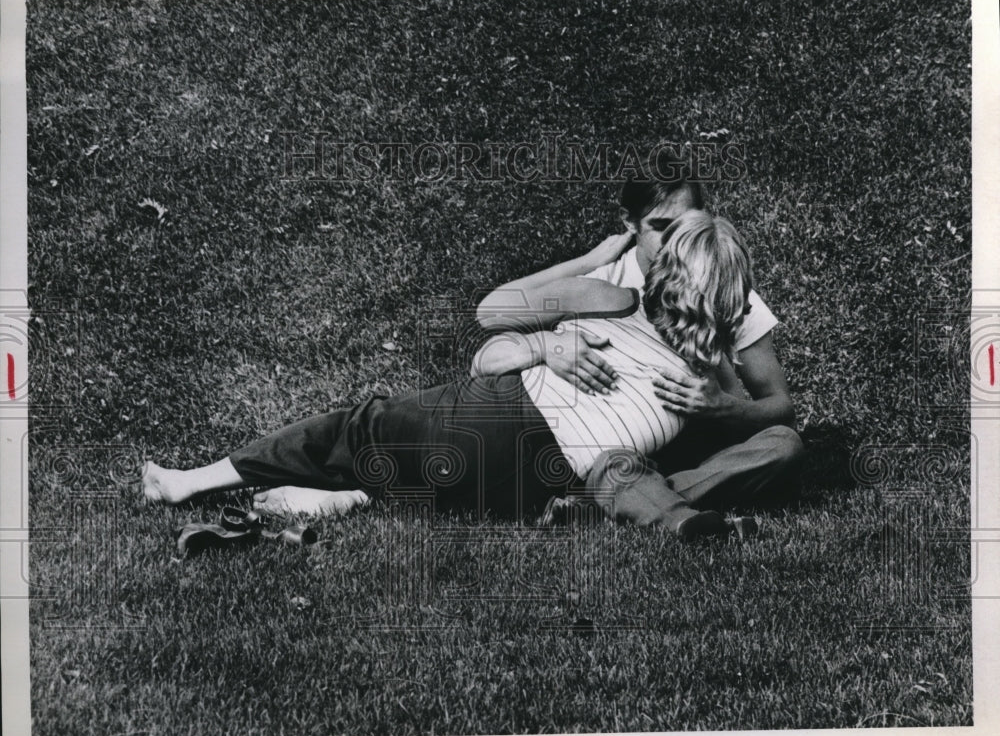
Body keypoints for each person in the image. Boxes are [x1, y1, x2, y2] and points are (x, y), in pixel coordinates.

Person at [142, 211, 754, 537]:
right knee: (436, 475)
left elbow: (495, 313)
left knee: (359, 427)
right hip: (537, 488)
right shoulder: (714, 380)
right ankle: (347, 496)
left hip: (505, 414)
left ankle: (190, 482)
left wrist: (593, 267)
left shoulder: (617, 302)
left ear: (666, 272)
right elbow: (758, 409)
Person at [473, 171, 804, 533]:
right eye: (661, 226)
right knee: (619, 465)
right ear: (630, 224)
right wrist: (547, 342)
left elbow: (779, 408)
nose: (675, 241)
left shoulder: (724, 287)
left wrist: (725, 407)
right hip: (610, 449)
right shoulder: (607, 280)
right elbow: (492, 317)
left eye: (685, 225)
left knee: (785, 445)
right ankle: (634, 500)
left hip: (692, 447)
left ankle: (613, 507)